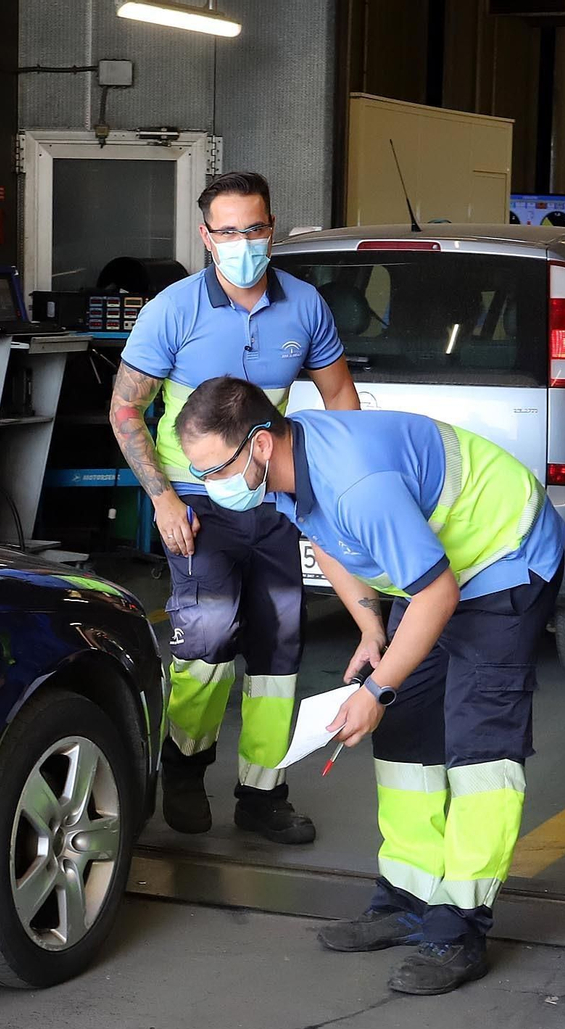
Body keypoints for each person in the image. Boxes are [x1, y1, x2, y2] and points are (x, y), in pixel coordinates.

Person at [174, 375, 564, 996]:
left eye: (215, 469)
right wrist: (371, 630)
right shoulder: (289, 468)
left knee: (479, 747)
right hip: (436, 566)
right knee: (406, 732)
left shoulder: (355, 483)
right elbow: (326, 541)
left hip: (502, 557)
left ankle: (459, 927)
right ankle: (408, 899)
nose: (209, 485)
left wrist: (377, 689)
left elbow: (437, 594)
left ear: (260, 444)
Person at [109, 171, 360, 844]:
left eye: (254, 229)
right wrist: (163, 497)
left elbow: (340, 398)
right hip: (195, 498)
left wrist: (335, 486)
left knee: (279, 643)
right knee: (209, 637)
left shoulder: (304, 306)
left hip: (276, 495)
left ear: (271, 228)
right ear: (206, 236)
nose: (243, 242)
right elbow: (126, 409)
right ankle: (184, 768)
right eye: (228, 231)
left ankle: (263, 790)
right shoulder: (172, 310)